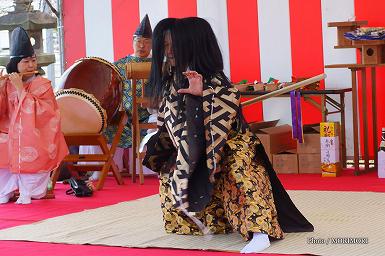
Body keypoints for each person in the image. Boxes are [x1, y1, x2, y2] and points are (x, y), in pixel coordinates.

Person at [144, 17, 314, 253]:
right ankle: (216, 220)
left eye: (175, 45)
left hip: (226, 147)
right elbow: (169, 125)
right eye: (165, 45)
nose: (169, 52)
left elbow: (211, 134)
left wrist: (196, 99)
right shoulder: (169, 81)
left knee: (238, 164)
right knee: (169, 170)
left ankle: (260, 231)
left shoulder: (220, 86)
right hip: (189, 150)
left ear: (193, 46)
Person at [80, 14, 154, 180]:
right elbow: (110, 91)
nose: (142, 46)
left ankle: (149, 169)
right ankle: (106, 168)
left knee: (157, 123)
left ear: (152, 44)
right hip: (123, 113)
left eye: (147, 42)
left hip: (149, 112)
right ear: (133, 41)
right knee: (103, 124)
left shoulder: (159, 65)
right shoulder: (119, 65)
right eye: (138, 41)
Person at [0, 27, 68, 204]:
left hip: (36, 131)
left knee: (27, 142)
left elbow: (46, 113)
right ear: (15, 64)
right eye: (26, 62)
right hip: (9, 129)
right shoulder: (7, 83)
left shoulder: (42, 84)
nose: (31, 65)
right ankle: (5, 191)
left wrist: (20, 89)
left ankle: (28, 191)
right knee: (3, 141)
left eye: (33, 61)